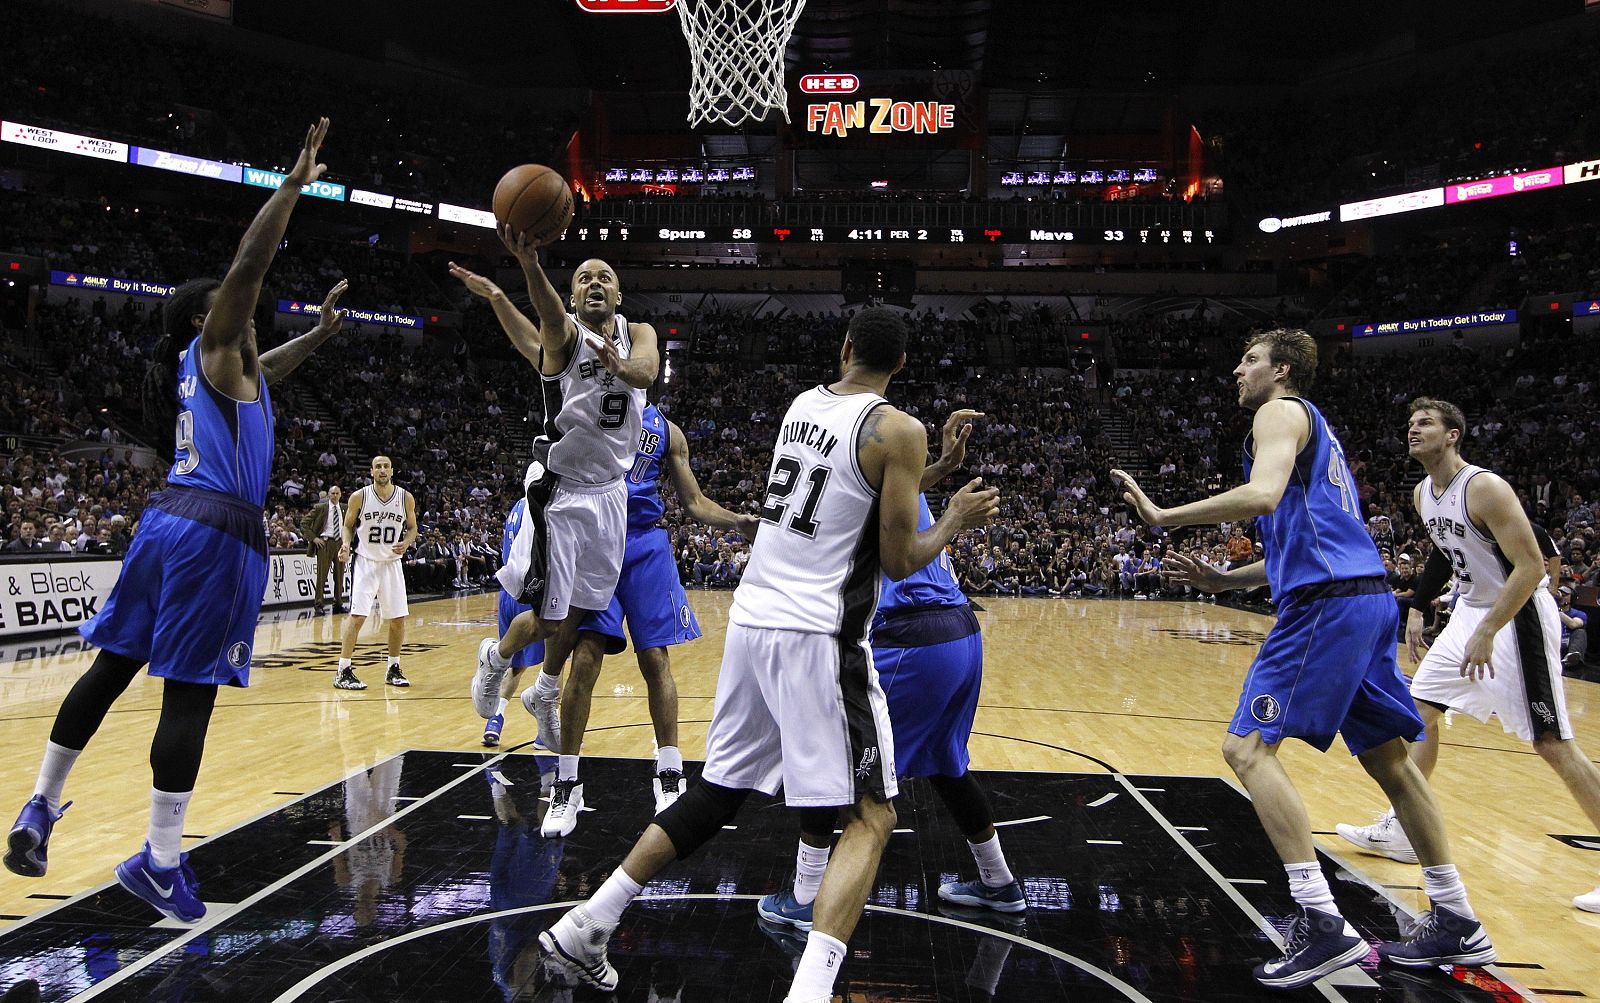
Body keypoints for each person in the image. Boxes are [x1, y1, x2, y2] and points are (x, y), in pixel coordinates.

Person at [536, 308, 999, 1003]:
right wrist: (956, 515)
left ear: (845, 347)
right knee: (873, 814)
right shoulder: (899, 428)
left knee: (718, 790)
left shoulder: (802, 406)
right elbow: (901, 557)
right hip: (818, 633)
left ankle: (588, 922)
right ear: (901, 365)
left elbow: (850, 492)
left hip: (753, 620)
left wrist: (934, 471)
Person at [3, 121, 348, 924]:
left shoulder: (225, 372)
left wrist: (320, 336)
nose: (253, 317)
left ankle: (41, 802)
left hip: (167, 520)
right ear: (209, 320)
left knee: (111, 668)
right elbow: (249, 266)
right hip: (218, 533)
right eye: (237, 310)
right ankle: (160, 860)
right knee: (189, 697)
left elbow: (273, 368)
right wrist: (290, 187)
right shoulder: (219, 340)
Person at [1113, 329, 1494, 989]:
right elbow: (1302, 537)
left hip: (1327, 607)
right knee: (1392, 762)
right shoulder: (1314, 429)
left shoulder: (1278, 412)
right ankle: (1456, 915)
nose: (1238, 370)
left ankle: (1322, 921)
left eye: (1249, 359)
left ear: (1283, 370)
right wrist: (1226, 581)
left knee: (1246, 749)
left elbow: (1262, 495)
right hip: (1365, 598)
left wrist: (1164, 513)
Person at [759, 409, 1028, 936]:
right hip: (961, 635)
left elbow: (895, 556)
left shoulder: (837, 482)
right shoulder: (889, 476)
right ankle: (998, 882)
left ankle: (806, 896)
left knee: (832, 761)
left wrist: (952, 511)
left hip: (911, 637)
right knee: (947, 764)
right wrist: (943, 468)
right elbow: (898, 489)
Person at [1335, 398, 1600, 915]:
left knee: (1552, 743)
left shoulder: (1484, 487)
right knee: (1416, 716)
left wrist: (1489, 630)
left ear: (1453, 434)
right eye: (1410, 424)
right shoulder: (1423, 493)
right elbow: (1443, 552)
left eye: (1425, 423)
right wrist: (1418, 607)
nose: (1413, 430)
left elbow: (1531, 567)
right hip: (1471, 611)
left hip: (1517, 614)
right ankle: (1404, 830)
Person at [468, 232, 657, 820]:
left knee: (578, 613)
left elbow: (647, 371)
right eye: (583, 278)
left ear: (619, 293)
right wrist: (527, 266)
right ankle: (498, 657)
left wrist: (621, 365)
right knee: (553, 617)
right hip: (563, 492)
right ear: (572, 297)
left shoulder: (639, 332)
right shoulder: (565, 334)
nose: (594, 283)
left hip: (611, 494)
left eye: (605, 277)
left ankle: (544, 691)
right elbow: (543, 321)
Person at [524, 400, 760, 837]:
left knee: (655, 659)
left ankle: (669, 773)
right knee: (587, 657)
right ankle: (566, 784)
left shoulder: (668, 431)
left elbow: (693, 501)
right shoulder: (591, 410)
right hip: (599, 541)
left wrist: (738, 522)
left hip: (645, 544)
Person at [335, 455, 417, 690]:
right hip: (366, 562)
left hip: (392, 563)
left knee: (398, 619)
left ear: (391, 471)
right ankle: (343, 670)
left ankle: (393, 668)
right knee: (358, 616)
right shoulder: (359, 497)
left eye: (386, 466)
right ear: (371, 471)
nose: (382, 470)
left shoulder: (405, 497)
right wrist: (346, 544)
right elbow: (347, 525)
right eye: (378, 466)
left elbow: (412, 528)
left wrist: (407, 542)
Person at [299, 485, 345, 614]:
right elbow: (304, 523)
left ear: (340, 494)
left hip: (340, 543)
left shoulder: (345, 508)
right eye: (332, 493)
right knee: (321, 576)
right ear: (328, 495)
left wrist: (348, 542)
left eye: (337, 493)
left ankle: (338, 603)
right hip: (324, 543)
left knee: (339, 575)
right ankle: (318, 604)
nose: (335, 495)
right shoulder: (320, 508)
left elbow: (350, 526)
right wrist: (313, 538)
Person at [1558, 585, 1589, 669]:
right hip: (1553, 641)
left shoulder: (1579, 614)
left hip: (1567, 643)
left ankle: (1571, 658)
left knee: (1581, 632)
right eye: (1560, 594)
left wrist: (1558, 611)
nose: (1561, 597)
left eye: (1565, 595)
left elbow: (1573, 624)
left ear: (1572, 598)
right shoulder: (1549, 612)